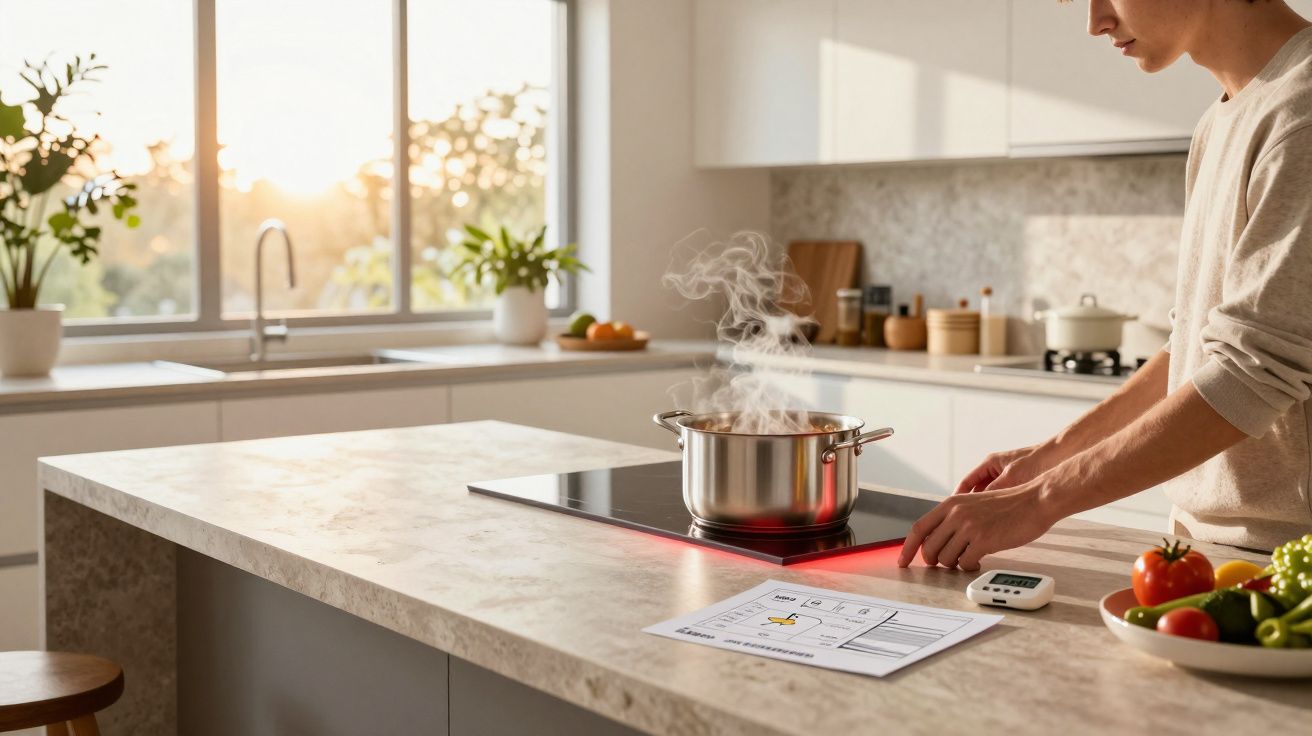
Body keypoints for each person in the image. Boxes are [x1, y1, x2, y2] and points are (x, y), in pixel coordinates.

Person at [899, 0, 1312, 571]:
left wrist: (1039, 500)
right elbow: (1190, 351)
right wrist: (1044, 462)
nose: (1095, 21)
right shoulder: (1220, 122)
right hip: (1210, 548)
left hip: (1290, 561)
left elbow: (1252, 374)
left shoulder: (1302, 112)